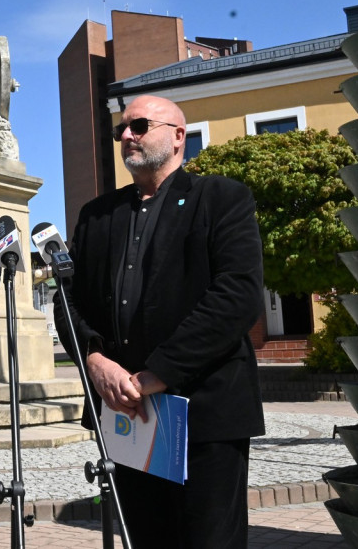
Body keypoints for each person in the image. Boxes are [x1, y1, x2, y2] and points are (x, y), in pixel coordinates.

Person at [55, 95, 265, 548]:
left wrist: (158, 373)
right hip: (129, 414)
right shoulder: (97, 216)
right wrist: (95, 360)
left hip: (204, 410)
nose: (127, 135)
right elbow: (68, 300)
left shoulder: (222, 198)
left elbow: (237, 297)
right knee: (145, 539)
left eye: (140, 125)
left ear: (177, 137)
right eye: (121, 130)